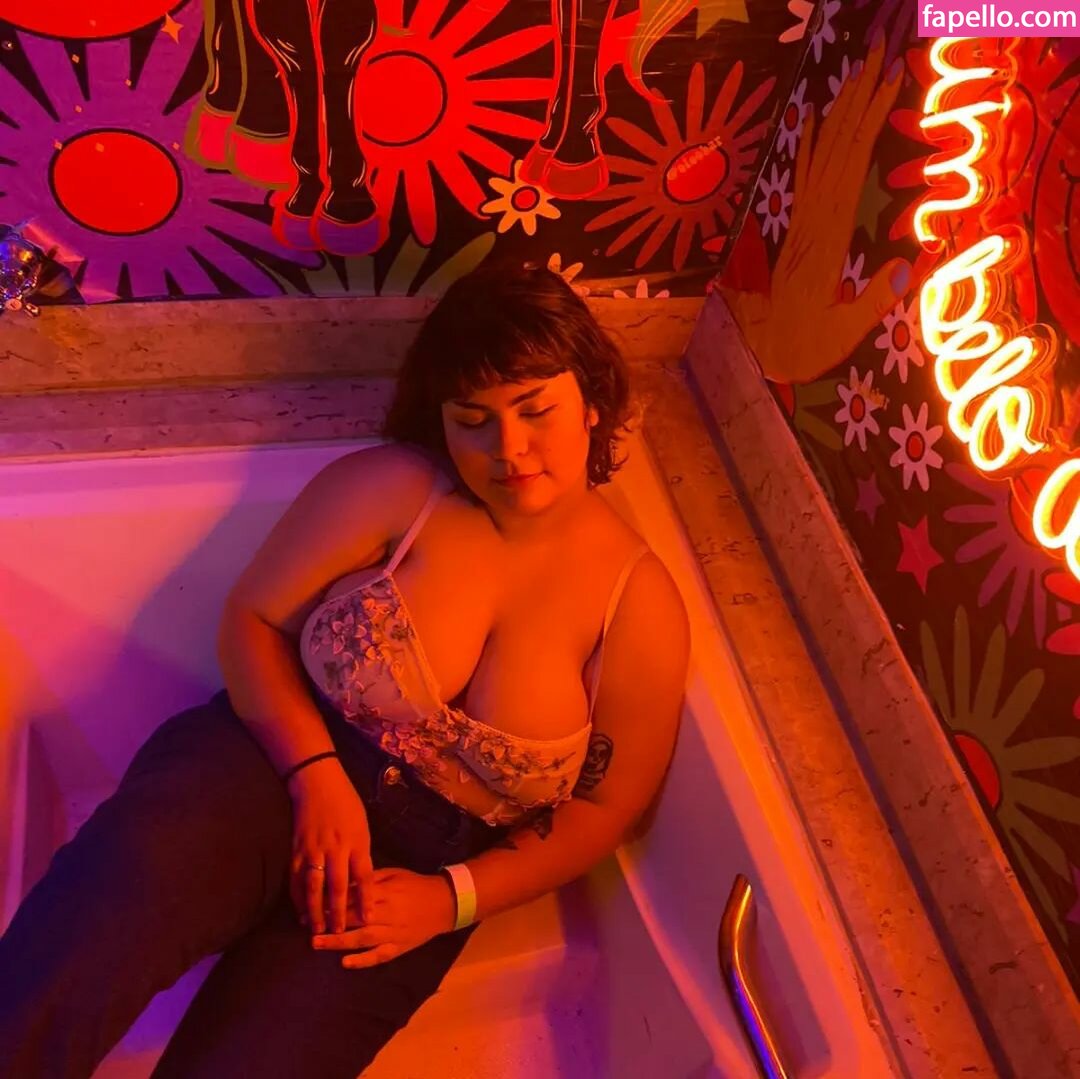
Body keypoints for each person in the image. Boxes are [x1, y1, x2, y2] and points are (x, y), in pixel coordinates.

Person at [0, 262, 690, 1078]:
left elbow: (606, 809)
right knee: (107, 903)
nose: (508, 449)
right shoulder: (398, 488)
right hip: (267, 761)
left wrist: (451, 898)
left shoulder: (637, 606)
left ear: (593, 401)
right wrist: (316, 777)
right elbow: (252, 620)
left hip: (421, 873)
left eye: (536, 410)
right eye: (473, 420)